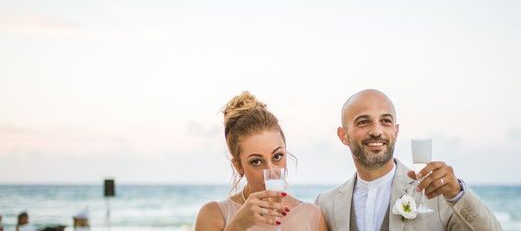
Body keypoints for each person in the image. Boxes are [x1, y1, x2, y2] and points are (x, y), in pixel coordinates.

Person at [316, 89, 503, 231]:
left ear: (396, 131)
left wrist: (457, 194)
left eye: (386, 121)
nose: (376, 131)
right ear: (343, 135)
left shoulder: (438, 196)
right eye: (363, 121)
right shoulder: (325, 204)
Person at [196, 91, 328, 231]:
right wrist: (238, 225)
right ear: (238, 166)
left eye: (277, 157)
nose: (271, 171)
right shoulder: (214, 216)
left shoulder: (312, 216)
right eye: (256, 162)